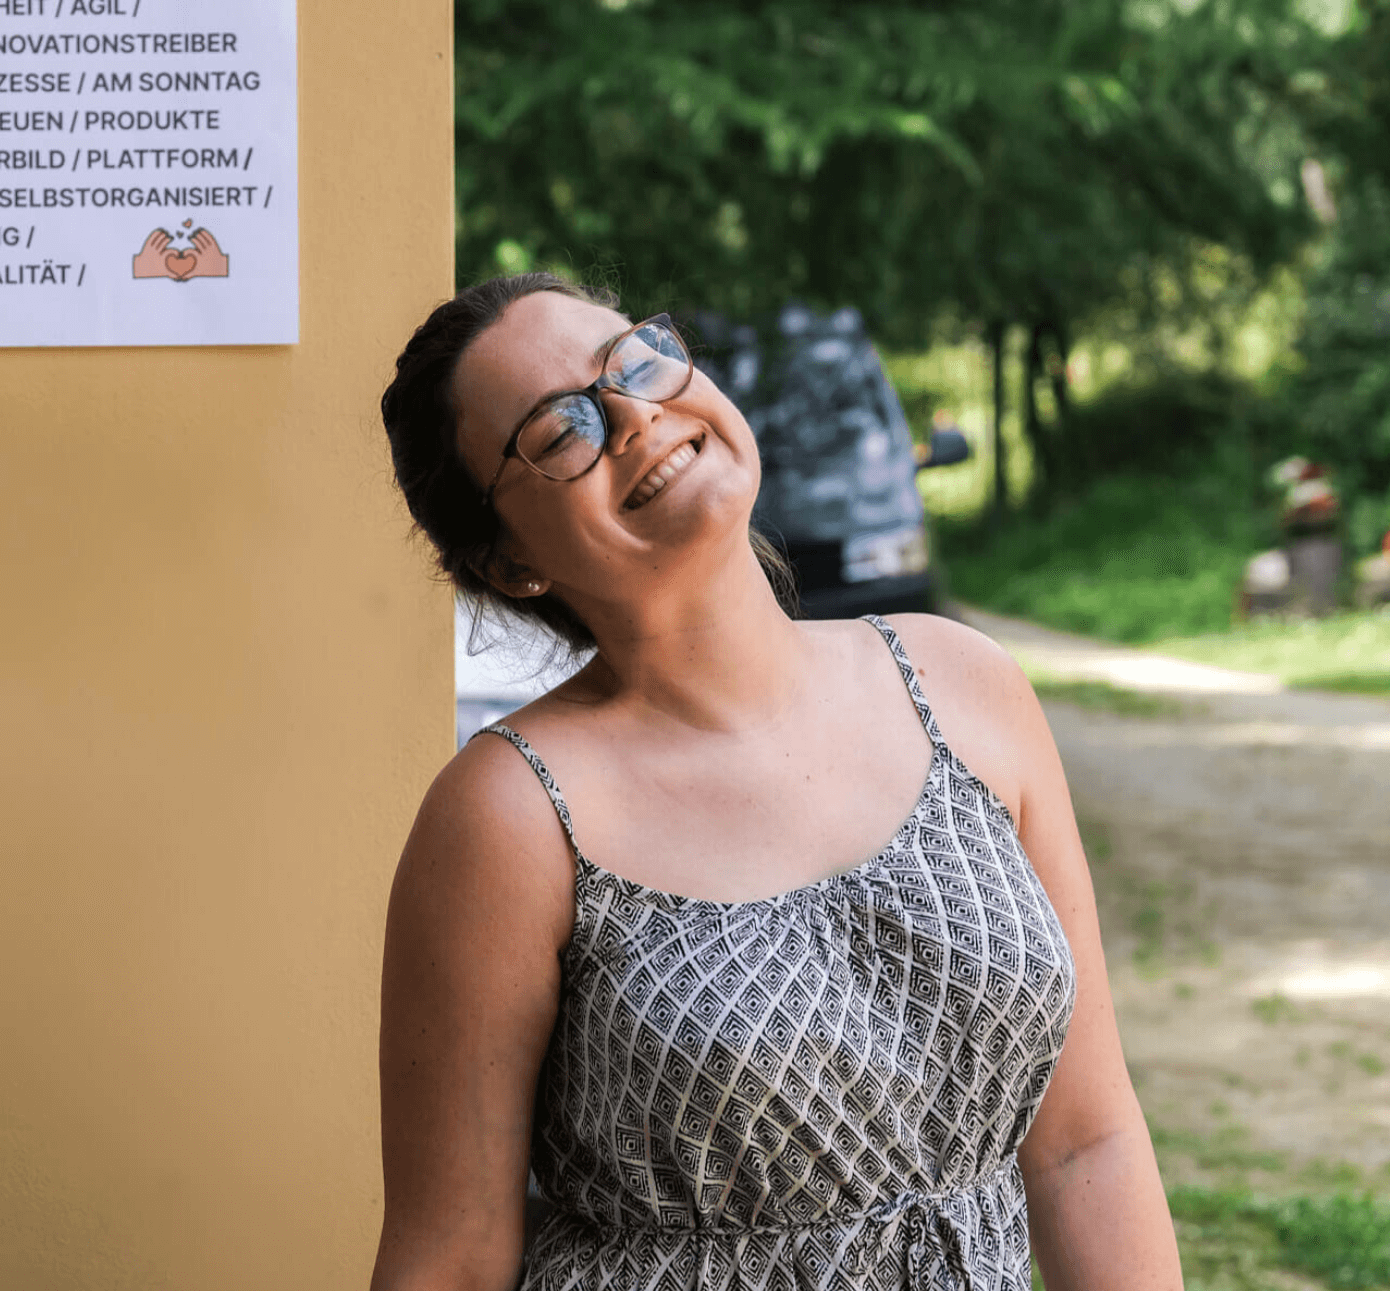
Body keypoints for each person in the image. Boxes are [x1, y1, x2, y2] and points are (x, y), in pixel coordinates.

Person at [370, 272, 1181, 1290]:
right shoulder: (510, 815)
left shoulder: (965, 685)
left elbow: (1083, 1143)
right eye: (558, 429)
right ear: (506, 559)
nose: (632, 415)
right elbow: (449, 1253)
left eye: (633, 359)